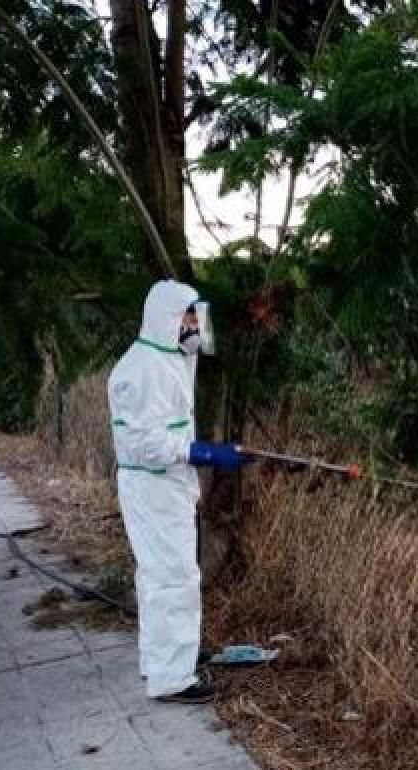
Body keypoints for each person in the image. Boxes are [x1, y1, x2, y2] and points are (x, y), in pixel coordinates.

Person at [107, 279, 248, 704]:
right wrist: (201, 452)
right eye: (190, 315)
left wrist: (206, 453)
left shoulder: (169, 360)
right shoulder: (142, 369)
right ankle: (173, 677)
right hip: (153, 488)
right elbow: (142, 442)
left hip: (165, 487)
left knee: (161, 576)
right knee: (173, 578)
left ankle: (168, 658)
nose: (196, 324)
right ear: (169, 317)